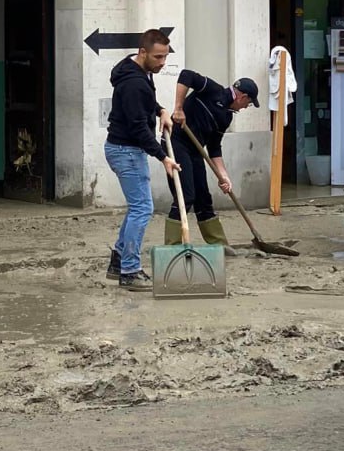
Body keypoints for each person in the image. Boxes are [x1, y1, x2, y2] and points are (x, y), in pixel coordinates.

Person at [104, 29, 179, 290]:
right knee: (142, 209)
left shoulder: (134, 70)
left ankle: (118, 261)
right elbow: (137, 126)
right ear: (143, 52)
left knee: (137, 207)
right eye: (158, 57)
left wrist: (160, 110)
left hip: (125, 148)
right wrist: (163, 158)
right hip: (126, 150)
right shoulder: (134, 82)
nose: (162, 63)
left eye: (165, 57)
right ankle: (130, 270)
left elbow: (143, 103)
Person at [167, 71, 260, 251]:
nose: (246, 107)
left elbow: (214, 148)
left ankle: (218, 245)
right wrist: (178, 108)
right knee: (186, 195)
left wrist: (223, 176)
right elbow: (186, 76)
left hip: (195, 149)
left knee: (203, 196)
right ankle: (172, 247)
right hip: (176, 141)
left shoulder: (226, 116)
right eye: (249, 103)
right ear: (242, 97)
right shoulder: (212, 90)